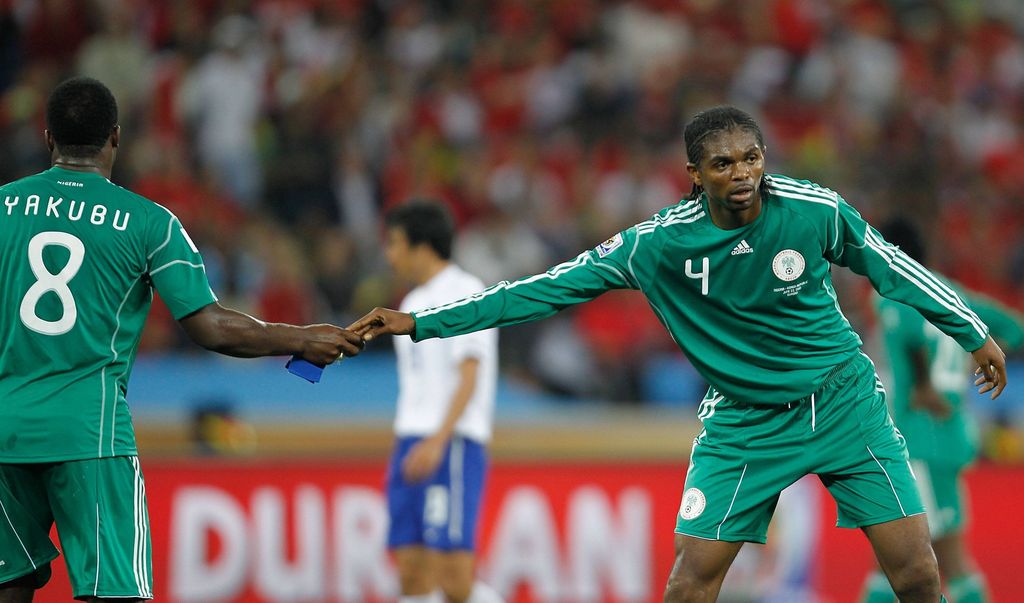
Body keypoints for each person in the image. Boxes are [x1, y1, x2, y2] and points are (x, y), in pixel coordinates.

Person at [350, 106, 1008, 603]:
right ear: (695, 175)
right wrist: (419, 321)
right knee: (692, 580)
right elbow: (540, 291)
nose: (743, 173)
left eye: (751, 157)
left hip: (843, 402)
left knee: (918, 570)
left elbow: (891, 267)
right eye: (723, 163)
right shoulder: (655, 246)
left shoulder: (815, 211)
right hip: (746, 423)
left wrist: (973, 330)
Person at [0, 77, 364, 603]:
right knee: (113, 592)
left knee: (8, 584)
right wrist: (301, 338)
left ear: (48, 137)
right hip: (90, 434)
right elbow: (210, 326)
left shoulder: (5, 206)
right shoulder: (149, 223)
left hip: (6, 429)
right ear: (116, 138)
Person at [860, 218, 1024, 603]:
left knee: (940, 556)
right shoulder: (952, 291)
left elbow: (913, 337)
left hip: (919, 438)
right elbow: (1013, 328)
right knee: (897, 556)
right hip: (949, 433)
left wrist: (923, 384)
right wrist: (973, 364)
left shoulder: (891, 293)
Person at [381, 200, 504, 603]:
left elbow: (470, 375)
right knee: (411, 573)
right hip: (410, 442)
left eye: (395, 243)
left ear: (422, 247)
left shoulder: (466, 293)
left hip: (450, 442)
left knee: (454, 580)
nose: (389, 254)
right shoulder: (409, 303)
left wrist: (438, 439)